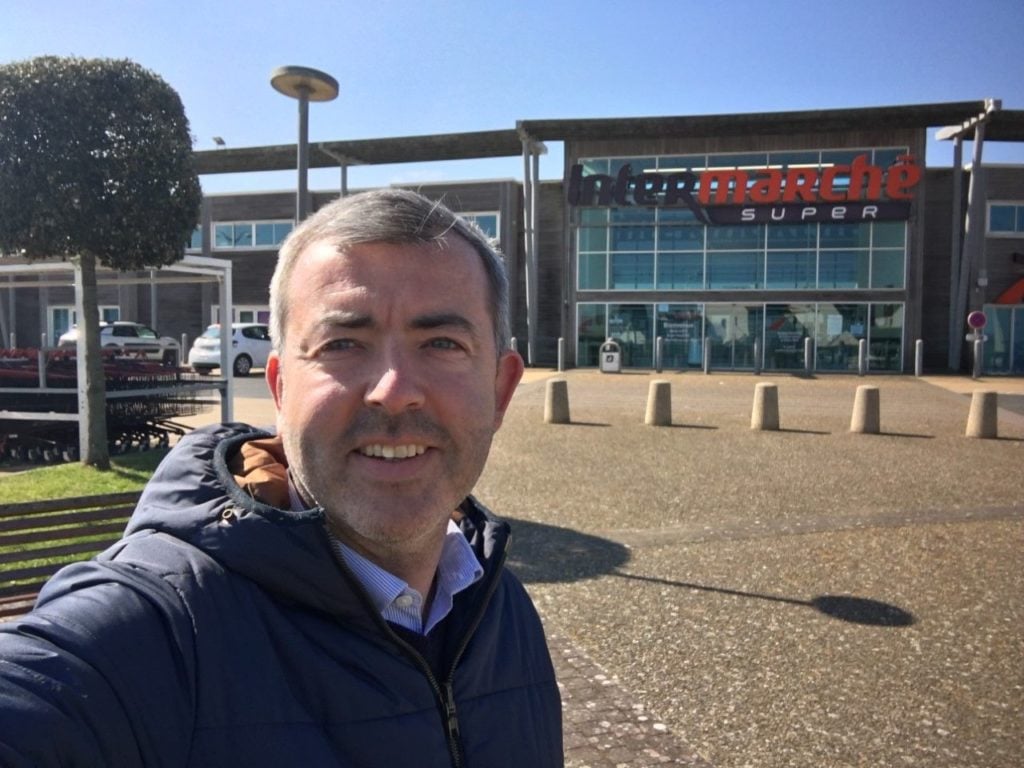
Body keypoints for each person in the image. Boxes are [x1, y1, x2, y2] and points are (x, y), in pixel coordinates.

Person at [0, 189, 563, 767]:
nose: (393, 390)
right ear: (280, 388)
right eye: (342, 343)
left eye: (442, 343)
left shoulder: (503, 610)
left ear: (499, 390)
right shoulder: (159, 630)